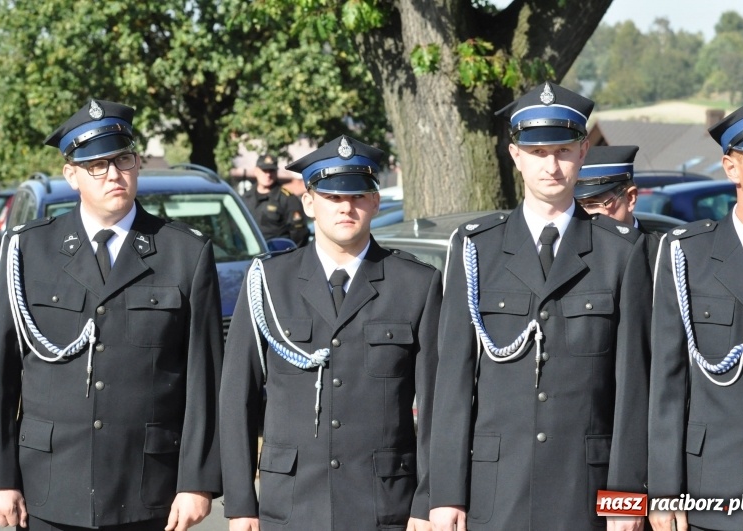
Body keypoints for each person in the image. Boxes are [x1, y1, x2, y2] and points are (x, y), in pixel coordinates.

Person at [0, 99, 223, 531]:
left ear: (138, 163)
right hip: (50, 483)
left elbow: (203, 379)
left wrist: (197, 483)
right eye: (96, 164)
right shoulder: (28, 250)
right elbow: (1, 373)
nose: (114, 174)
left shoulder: (184, 252)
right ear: (71, 174)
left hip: (149, 488)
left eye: (123, 159)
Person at [429, 82, 652, 531]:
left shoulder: (622, 252)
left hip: (585, 494)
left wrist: (626, 501)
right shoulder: (476, 250)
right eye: (538, 152)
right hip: (495, 490)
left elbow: (634, 390)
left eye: (564, 150)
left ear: (584, 150)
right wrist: (446, 495)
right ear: (515, 156)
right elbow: (451, 385)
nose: (552, 165)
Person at [220, 135, 442, 530]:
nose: (346, 207)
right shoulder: (269, 282)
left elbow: (436, 407)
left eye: (357, 196)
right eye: (332, 197)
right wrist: (240, 504)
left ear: (374, 201)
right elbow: (237, 397)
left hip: (384, 504)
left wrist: (426, 503)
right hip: (290, 504)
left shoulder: (415, 284)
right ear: (308, 202)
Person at [648, 96, 743, 531]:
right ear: (730, 168)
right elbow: (667, 384)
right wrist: (662, 491)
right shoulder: (685, 254)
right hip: (709, 490)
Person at [575, 145, 662, 266]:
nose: (585, 214)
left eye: (593, 203)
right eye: (578, 205)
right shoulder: (571, 257)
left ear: (630, 198)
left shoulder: (661, 254)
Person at [241, 153, 309, 247]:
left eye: (271, 171)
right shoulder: (246, 198)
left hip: (278, 255)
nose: (268, 175)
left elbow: (299, 234)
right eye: (264, 170)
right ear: (256, 171)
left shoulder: (288, 199)